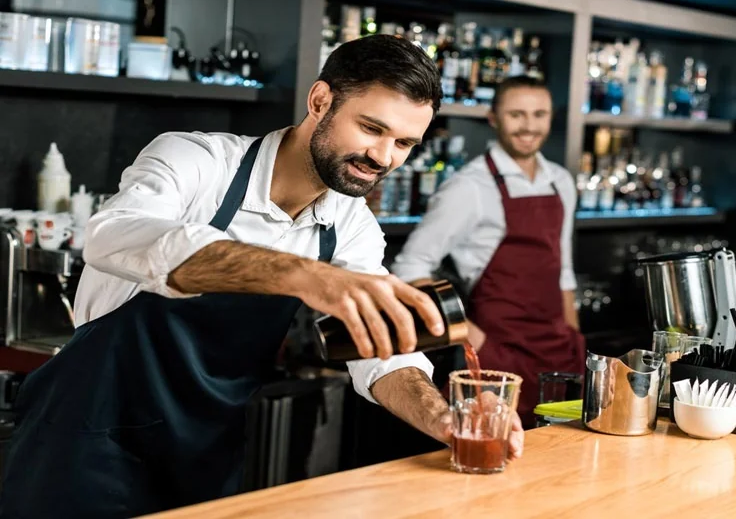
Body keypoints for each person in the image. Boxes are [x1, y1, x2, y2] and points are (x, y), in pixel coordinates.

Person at [0, 35, 523, 518]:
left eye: (405, 143)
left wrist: (443, 418)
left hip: (203, 454)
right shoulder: (198, 161)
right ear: (320, 101)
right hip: (84, 442)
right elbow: (112, 235)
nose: (383, 157)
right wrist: (305, 277)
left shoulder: (350, 224)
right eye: (372, 128)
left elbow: (382, 356)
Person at [391, 75, 584, 427]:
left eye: (539, 114)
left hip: (559, 350)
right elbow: (410, 266)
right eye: (517, 115)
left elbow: (564, 269)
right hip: (497, 352)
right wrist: (471, 336)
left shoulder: (561, 181)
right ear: (493, 118)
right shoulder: (469, 187)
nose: (529, 126)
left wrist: (574, 337)